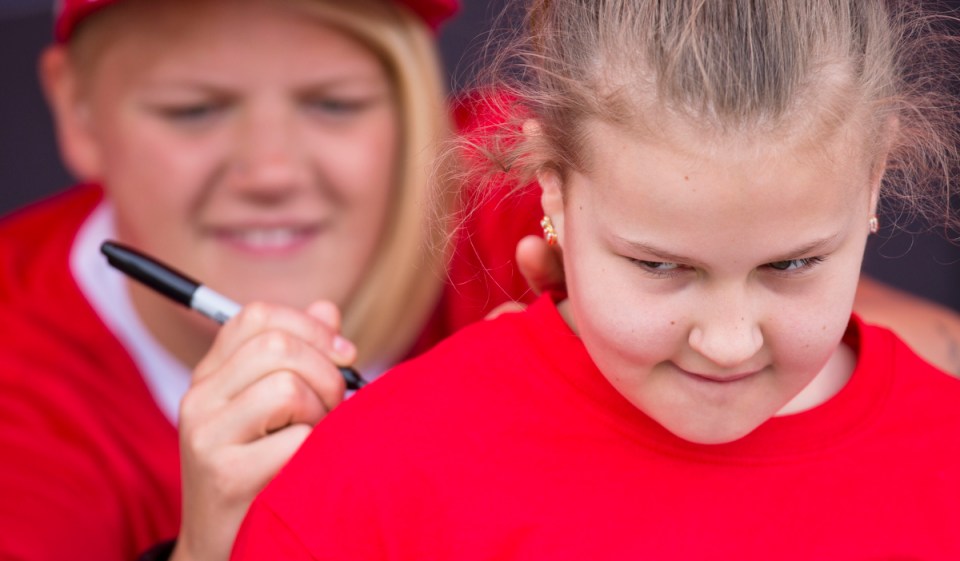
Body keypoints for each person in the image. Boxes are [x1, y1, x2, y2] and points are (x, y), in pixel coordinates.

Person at [230, 0, 960, 558]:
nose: (729, 342)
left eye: (791, 265)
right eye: (660, 265)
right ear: (552, 184)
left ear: (873, 179)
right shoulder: (377, 481)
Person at [0, 1, 546, 560]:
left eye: (335, 104)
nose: (271, 173)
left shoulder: (524, 177)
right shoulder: (17, 391)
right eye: (193, 111)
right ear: (77, 109)